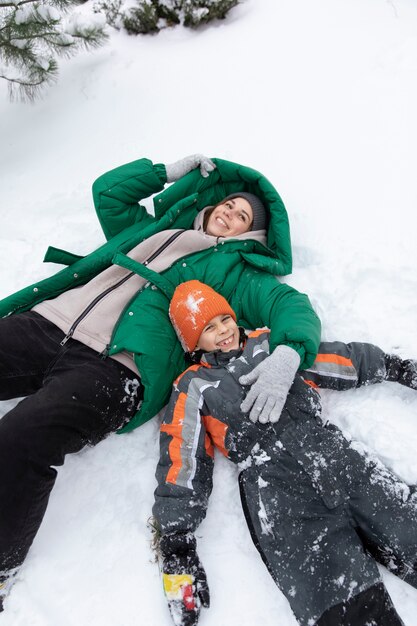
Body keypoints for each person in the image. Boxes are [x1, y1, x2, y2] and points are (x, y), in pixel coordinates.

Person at [0, 155, 321, 609]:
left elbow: (291, 305)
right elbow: (108, 192)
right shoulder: (154, 229)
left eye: (243, 217)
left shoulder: (235, 270)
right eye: (230, 204)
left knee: (22, 437)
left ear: (251, 234)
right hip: (50, 322)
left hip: (117, 368)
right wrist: (166, 172)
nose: (230, 213)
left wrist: (290, 351)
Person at [153, 280, 417, 626]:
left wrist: (394, 366)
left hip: (335, 457)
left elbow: (335, 360)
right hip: (280, 495)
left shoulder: (270, 345)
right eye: (207, 329)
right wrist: (177, 541)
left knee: (405, 523)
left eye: (224, 320)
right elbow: (182, 458)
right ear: (192, 344)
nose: (222, 332)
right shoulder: (193, 387)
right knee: (338, 597)